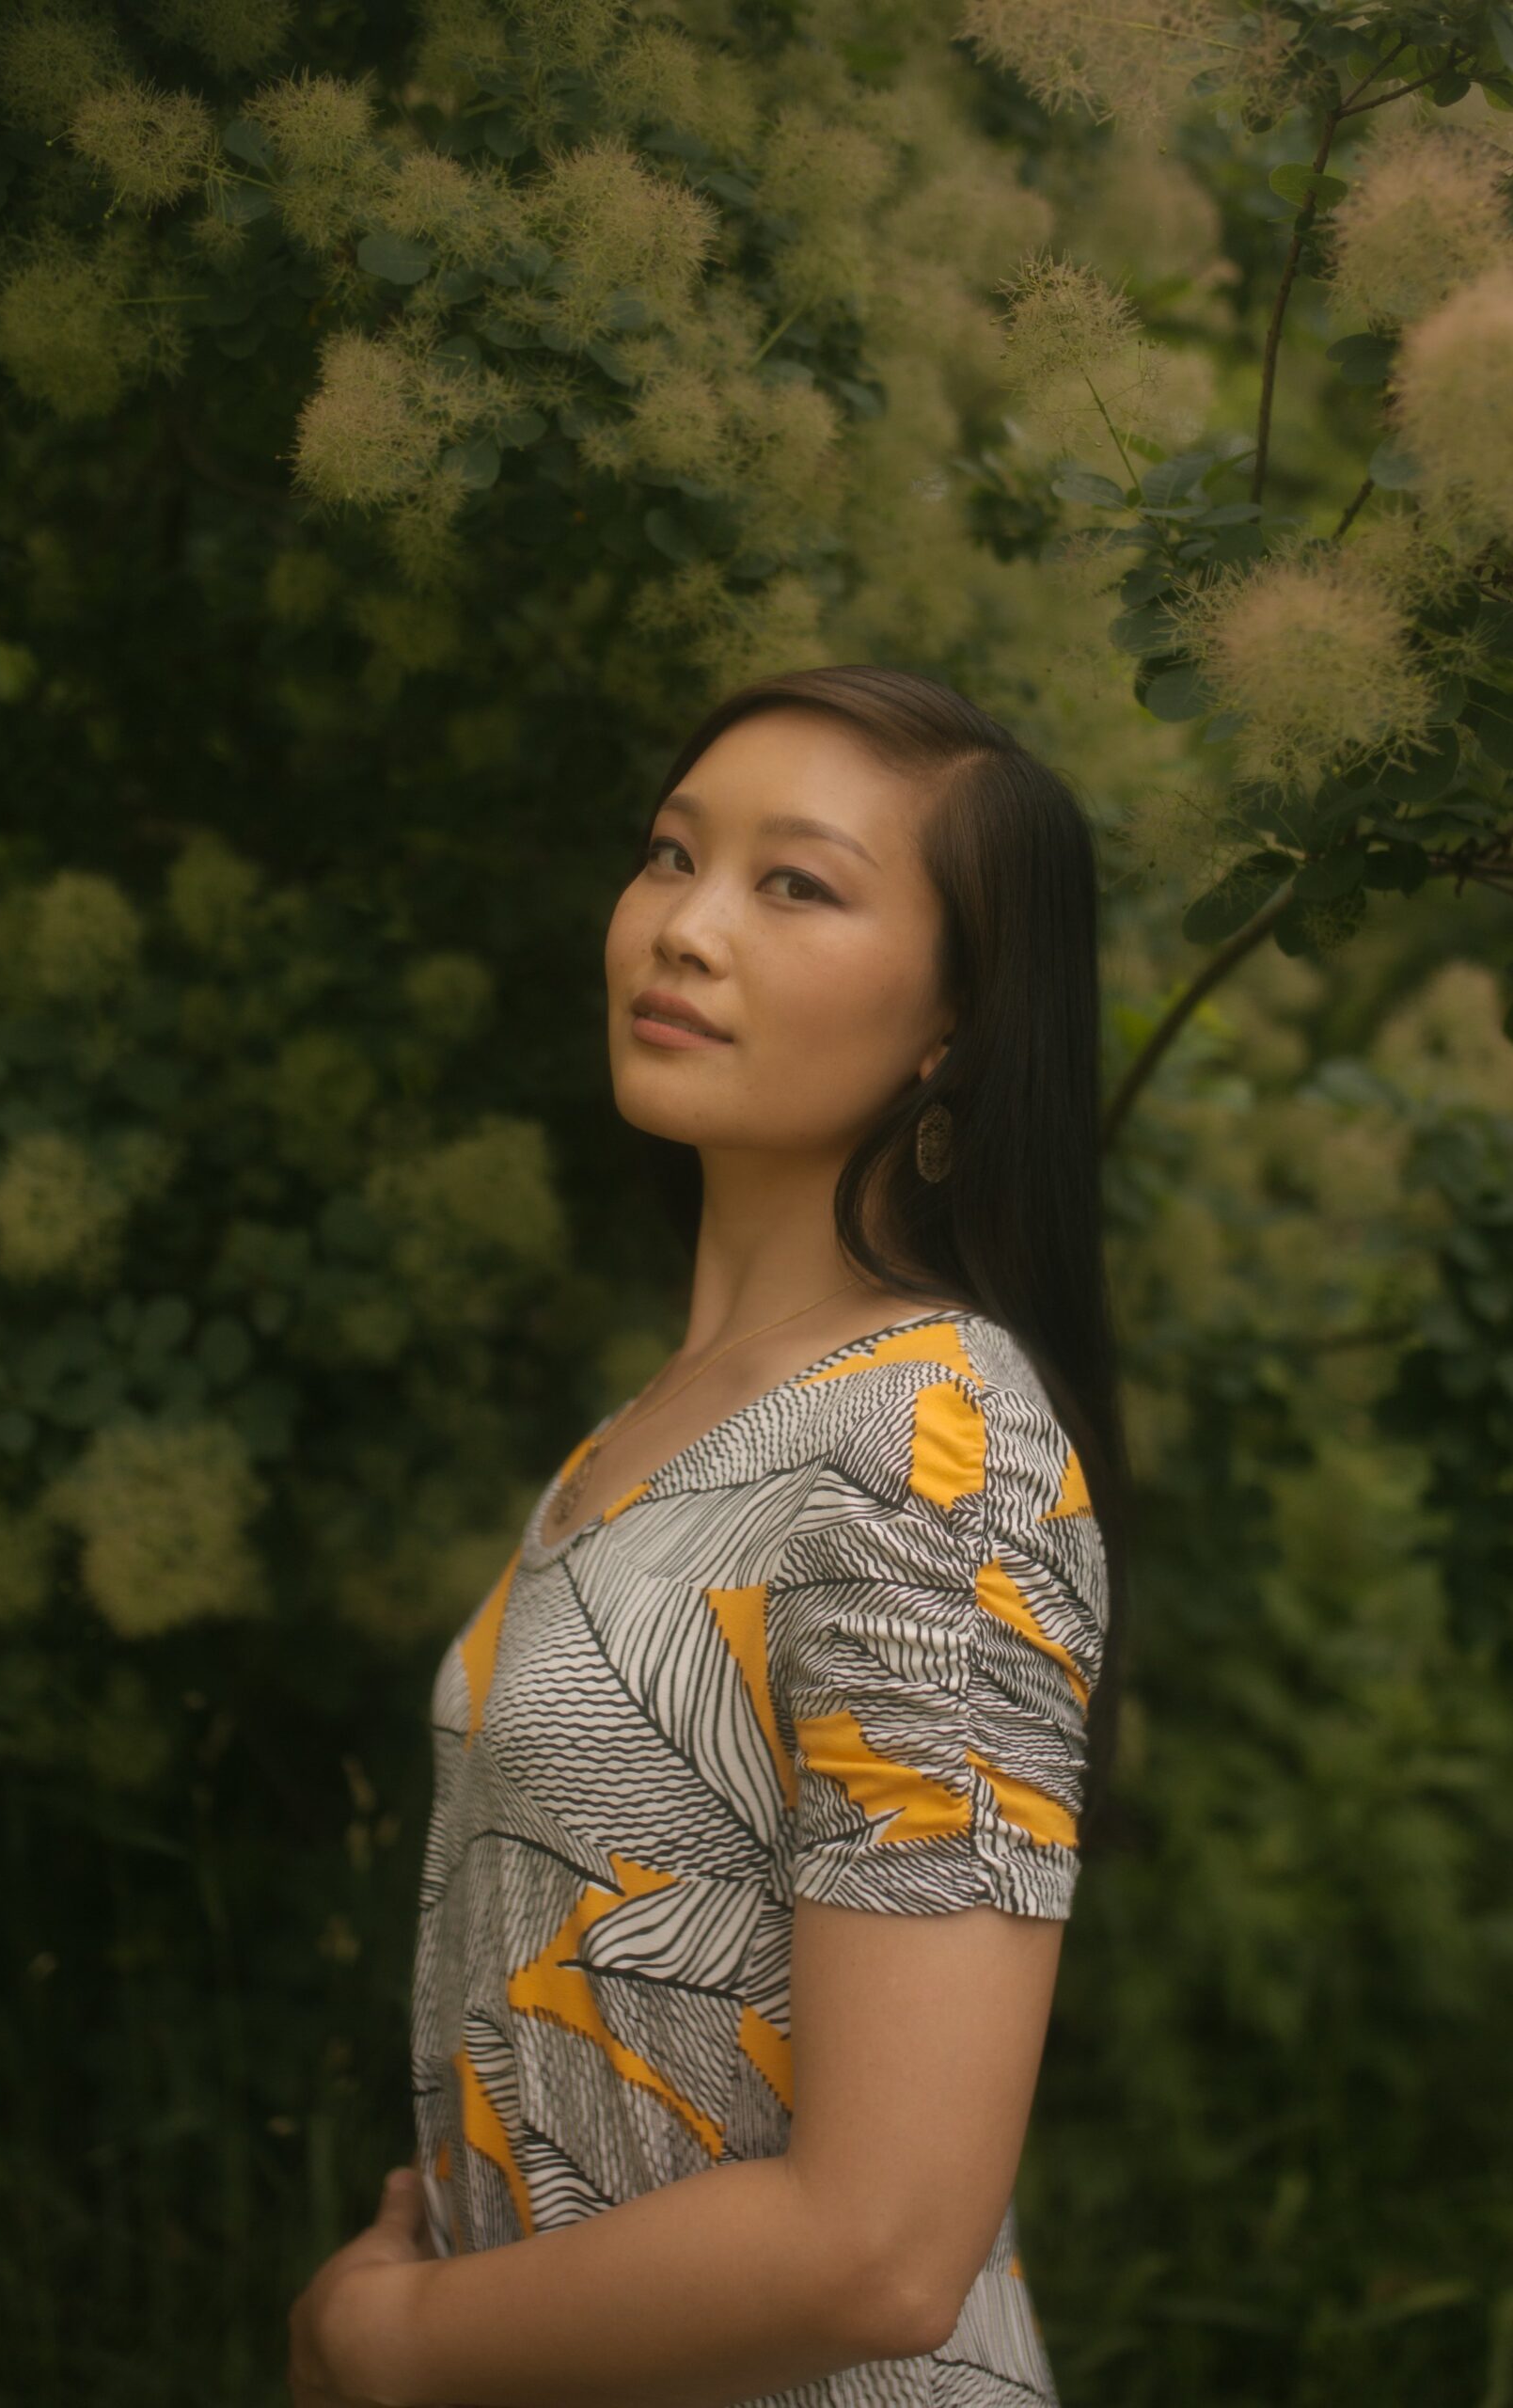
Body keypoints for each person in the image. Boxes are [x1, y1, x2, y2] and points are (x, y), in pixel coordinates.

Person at [289, 663, 1131, 2407]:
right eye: (671, 857)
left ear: (954, 1025)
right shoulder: (655, 1431)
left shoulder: (932, 1449)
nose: (686, 926)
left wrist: (403, 2345)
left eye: (793, 883)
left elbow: (885, 2243)